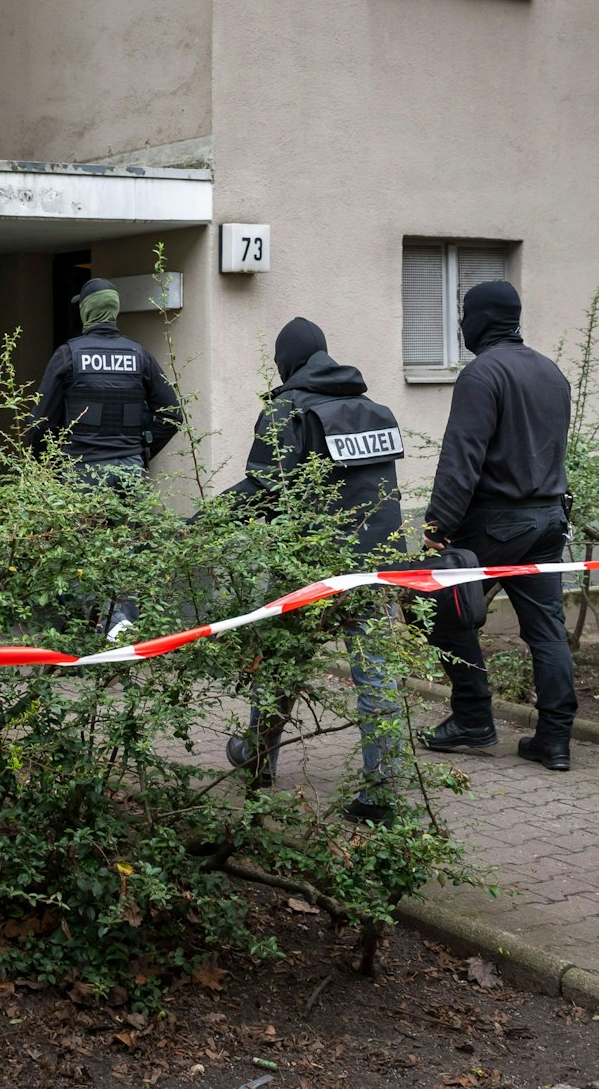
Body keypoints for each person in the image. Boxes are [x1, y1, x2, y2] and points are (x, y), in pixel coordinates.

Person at [216, 317, 407, 824]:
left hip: (312, 568)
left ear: (288, 362)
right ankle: (383, 793)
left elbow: (263, 491)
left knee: (279, 666)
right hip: (374, 567)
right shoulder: (372, 409)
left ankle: (258, 762)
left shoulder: (287, 410)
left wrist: (203, 523)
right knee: (377, 679)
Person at [421, 280, 578, 771]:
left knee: (439, 610)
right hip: (549, 520)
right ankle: (554, 740)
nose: (461, 324)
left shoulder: (482, 374)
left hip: (494, 524)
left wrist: (438, 524)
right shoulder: (551, 371)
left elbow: (462, 457)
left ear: (481, 319)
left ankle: (472, 718)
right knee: (547, 630)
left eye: (465, 314)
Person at [28, 277, 182, 639]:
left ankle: (97, 628)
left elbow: (39, 423)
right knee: (128, 550)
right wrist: (141, 453)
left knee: (79, 552)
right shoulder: (139, 355)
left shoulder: (69, 354)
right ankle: (125, 626)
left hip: (81, 473)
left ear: (86, 311)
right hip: (129, 473)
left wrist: (45, 466)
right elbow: (172, 415)